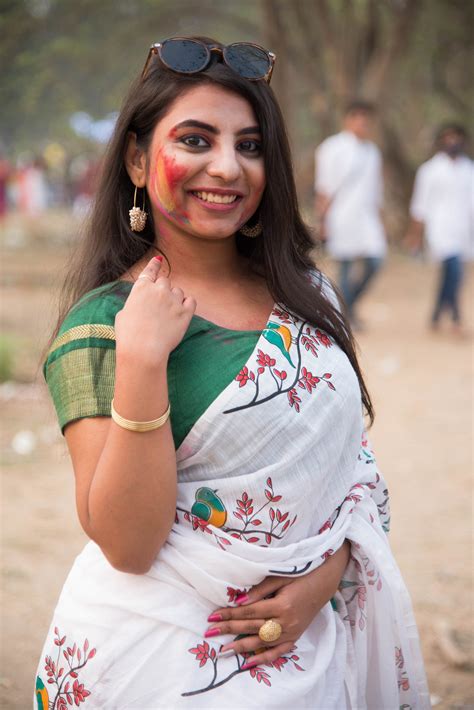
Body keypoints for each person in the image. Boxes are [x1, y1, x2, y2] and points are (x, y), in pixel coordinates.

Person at [34, 37, 429, 709]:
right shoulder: (103, 325)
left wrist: (326, 576)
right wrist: (142, 358)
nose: (226, 167)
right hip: (149, 664)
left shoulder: (309, 294)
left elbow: (349, 469)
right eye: (194, 140)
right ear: (136, 158)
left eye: (249, 147)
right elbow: (129, 545)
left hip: (309, 655)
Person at [314, 101, 386, 328]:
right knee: (344, 266)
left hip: (367, 217)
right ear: (348, 119)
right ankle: (344, 316)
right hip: (341, 215)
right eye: (358, 118)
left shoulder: (372, 151)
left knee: (376, 261)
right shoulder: (332, 147)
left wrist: (381, 221)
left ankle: (348, 306)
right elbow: (324, 187)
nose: (363, 123)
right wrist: (322, 220)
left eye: (366, 119)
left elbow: (376, 191)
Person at [406, 123, 473, 334]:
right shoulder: (429, 171)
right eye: (448, 138)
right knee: (454, 271)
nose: (453, 142)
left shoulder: (469, 170)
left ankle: (436, 313)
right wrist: (415, 236)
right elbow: (419, 206)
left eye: (456, 137)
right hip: (440, 229)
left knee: (451, 275)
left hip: (464, 230)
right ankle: (455, 317)